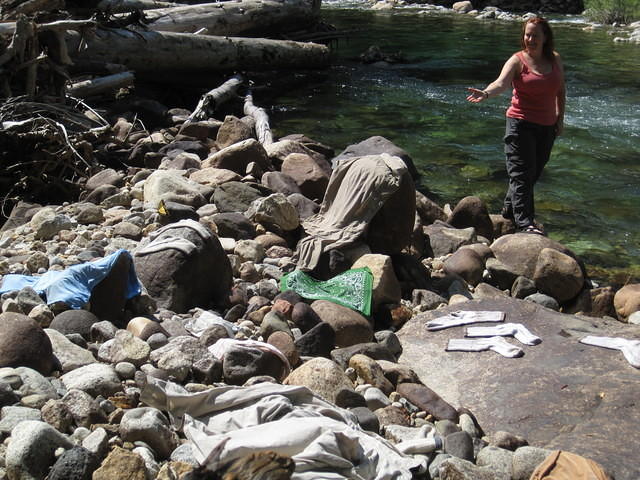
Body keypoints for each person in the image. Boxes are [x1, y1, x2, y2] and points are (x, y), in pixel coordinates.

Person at [467, 16, 565, 235]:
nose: (530, 39)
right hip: (520, 124)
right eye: (527, 34)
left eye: (535, 35)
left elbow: (561, 90)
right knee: (522, 173)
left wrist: (560, 119)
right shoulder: (517, 60)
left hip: (547, 126)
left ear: (545, 37)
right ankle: (525, 222)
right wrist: (485, 93)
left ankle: (510, 209)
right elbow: (501, 83)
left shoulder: (555, 59)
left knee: (534, 173)